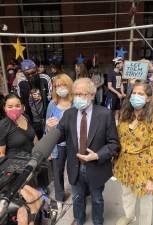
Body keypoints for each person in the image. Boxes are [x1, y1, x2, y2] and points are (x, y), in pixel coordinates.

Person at [46, 77, 120, 225]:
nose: (78, 98)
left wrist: (98, 155)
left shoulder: (105, 115)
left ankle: (98, 221)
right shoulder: (69, 114)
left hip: (97, 166)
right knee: (77, 197)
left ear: (92, 95)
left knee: (97, 199)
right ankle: (79, 219)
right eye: (76, 94)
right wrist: (51, 129)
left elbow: (114, 144)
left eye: (83, 94)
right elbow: (60, 138)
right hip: (75, 166)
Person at [114, 81, 153, 225]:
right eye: (134, 93)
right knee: (127, 194)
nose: (136, 96)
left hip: (146, 168)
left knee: (145, 199)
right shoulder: (125, 115)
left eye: (141, 94)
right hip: (126, 165)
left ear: (149, 98)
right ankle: (129, 216)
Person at [46, 74, 73, 213]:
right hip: (58, 146)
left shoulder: (76, 102)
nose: (60, 88)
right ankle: (59, 198)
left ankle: (79, 196)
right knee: (57, 172)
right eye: (57, 86)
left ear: (69, 86)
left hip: (74, 145)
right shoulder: (52, 104)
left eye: (63, 85)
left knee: (75, 171)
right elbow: (47, 127)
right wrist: (49, 148)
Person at [17, 59, 52, 139]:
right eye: (27, 74)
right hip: (32, 121)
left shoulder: (45, 79)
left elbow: (52, 99)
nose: (31, 76)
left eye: (33, 72)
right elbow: (21, 103)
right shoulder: (21, 84)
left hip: (47, 118)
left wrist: (43, 98)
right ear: (24, 74)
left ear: (37, 70)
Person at [0, 94, 37, 158]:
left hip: (32, 160)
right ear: (4, 108)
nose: (14, 109)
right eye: (10, 107)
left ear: (22, 106)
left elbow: (34, 137)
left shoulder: (26, 117)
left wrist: (40, 152)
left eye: (17, 106)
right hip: (15, 164)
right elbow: (1, 154)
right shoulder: (3, 125)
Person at [105, 57, 126, 124]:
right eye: (121, 63)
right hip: (111, 96)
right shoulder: (111, 73)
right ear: (117, 64)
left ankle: (116, 125)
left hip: (118, 96)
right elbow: (109, 86)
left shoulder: (120, 74)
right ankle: (108, 125)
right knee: (110, 112)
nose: (122, 65)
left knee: (117, 111)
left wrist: (122, 92)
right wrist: (118, 93)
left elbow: (121, 84)